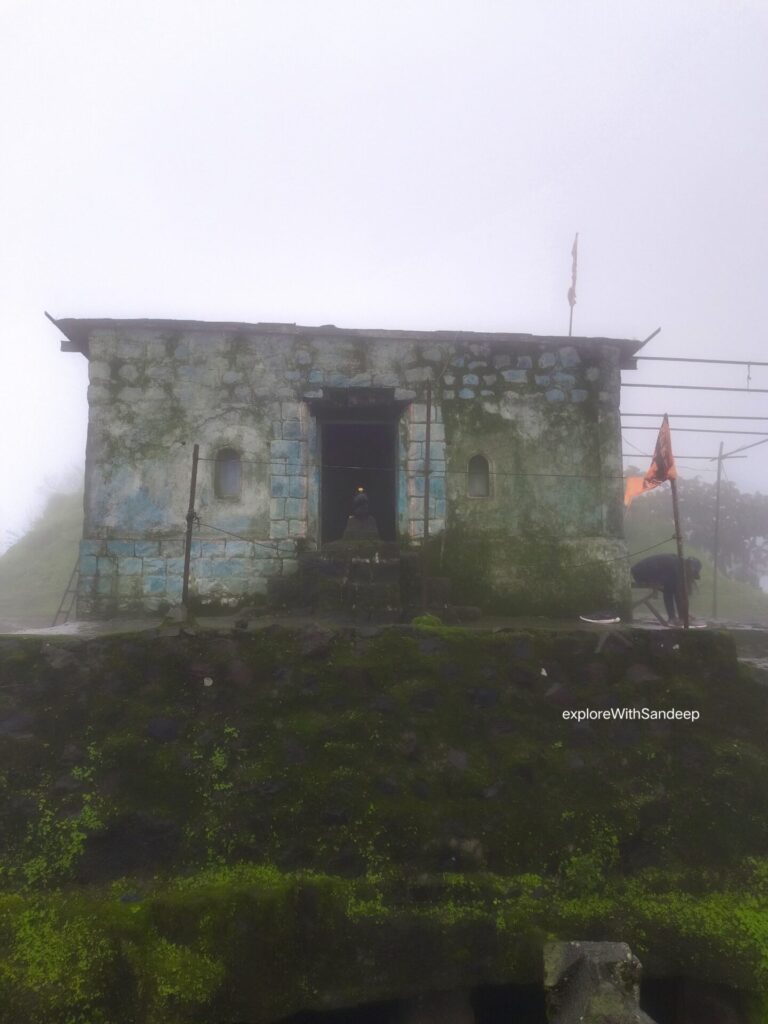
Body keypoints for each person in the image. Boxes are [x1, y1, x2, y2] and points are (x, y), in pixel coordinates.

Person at [631, 553, 701, 624]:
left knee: (672, 587)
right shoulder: (676, 567)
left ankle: (675, 617)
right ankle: (672, 618)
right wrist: (682, 617)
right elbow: (672, 594)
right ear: (690, 568)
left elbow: (677, 594)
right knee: (670, 589)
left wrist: (684, 615)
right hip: (640, 573)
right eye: (693, 573)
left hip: (643, 572)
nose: (691, 577)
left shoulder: (677, 564)